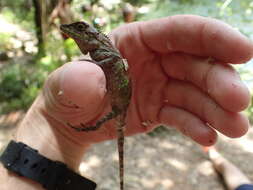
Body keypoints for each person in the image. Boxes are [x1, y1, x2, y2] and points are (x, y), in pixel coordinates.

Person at [0, 15, 252, 189]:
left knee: (115, 120)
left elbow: (113, 61)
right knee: (112, 119)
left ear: (88, 33)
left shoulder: (103, 49)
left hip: (121, 98)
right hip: (118, 96)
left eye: (78, 28)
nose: (71, 31)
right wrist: (56, 132)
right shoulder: (100, 50)